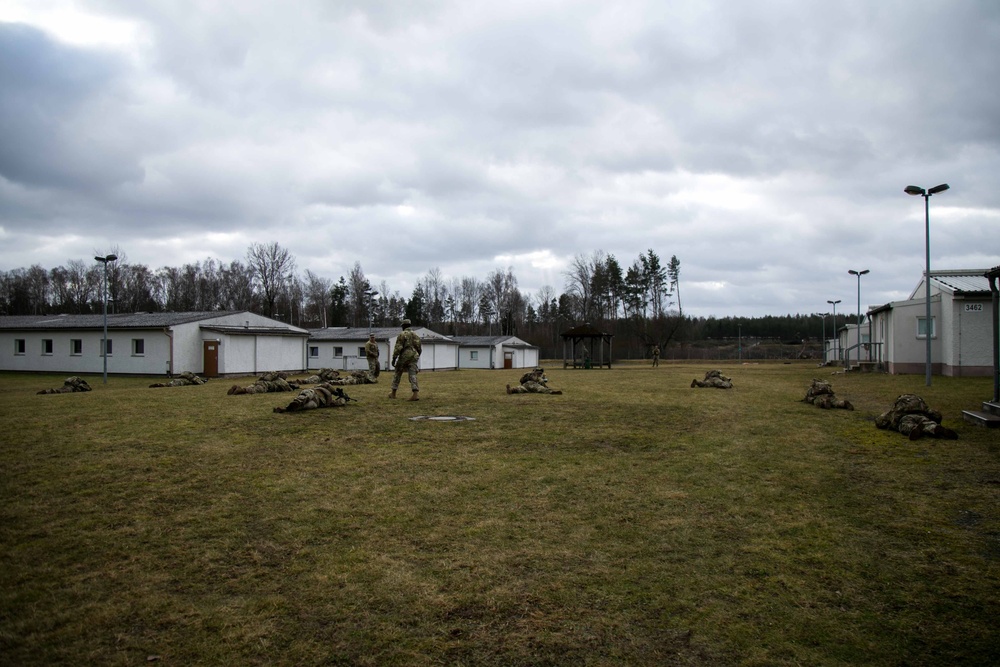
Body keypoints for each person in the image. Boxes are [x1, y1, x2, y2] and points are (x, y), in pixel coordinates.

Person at [875, 394, 958, 440]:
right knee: (926, 423)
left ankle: (914, 429)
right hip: (921, 415)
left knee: (906, 425)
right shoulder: (920, 403)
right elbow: (935, 414)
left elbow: (880, 421)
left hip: (905, 417)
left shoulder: (898, 407)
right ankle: (935, 428)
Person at [389, 319, 422, 400]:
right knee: (412, 374)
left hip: (405, 355)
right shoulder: (416, 334)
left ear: (403, 326)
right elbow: (419, 347)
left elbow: (398, 347)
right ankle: (415, 394)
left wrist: (394, 358)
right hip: (414, 355)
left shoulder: (402, 334)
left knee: (397, 372)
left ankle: (393, 393)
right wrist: (416, 355)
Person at [273, 384, 355, 413]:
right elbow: (327, 385)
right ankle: (295, 403)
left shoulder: (329, 400)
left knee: (303, 406)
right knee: (305, 397)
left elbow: (338, 403)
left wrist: (343, 399)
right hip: (314, 394)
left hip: (317, 403)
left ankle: (286, 409)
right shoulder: (320, 388)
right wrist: (336, 393)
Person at [228, 371, 298, 395]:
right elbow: (288, 389)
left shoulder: (273, 377)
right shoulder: (282, 382)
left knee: (252, 387)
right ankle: (241, 390)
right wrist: (295, 387)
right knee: (253, 391)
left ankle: (237, 388)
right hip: (265, 386)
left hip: (259, 382)